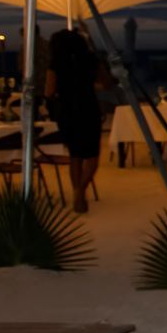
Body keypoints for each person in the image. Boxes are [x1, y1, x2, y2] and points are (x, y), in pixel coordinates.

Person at [44, 28, 108, 211]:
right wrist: (87, 84)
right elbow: (107, 83)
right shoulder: (91, 60)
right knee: (92, 155)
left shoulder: (56, 63)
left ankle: (77, 192)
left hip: (67, 111)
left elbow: (49, 91)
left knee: (75, 155)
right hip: (88, 108)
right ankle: (81, 190)